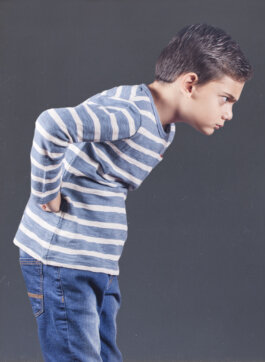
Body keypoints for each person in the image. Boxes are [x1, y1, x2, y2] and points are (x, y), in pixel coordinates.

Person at [14, 23, 252, 361]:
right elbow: (52, 125)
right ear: (190, 84)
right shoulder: (133, 114)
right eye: (225, 99)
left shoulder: (159, 121)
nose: (228, 113)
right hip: (65, 258)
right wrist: (46, 193)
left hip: (96, 261)